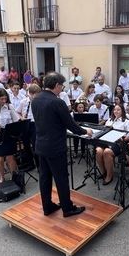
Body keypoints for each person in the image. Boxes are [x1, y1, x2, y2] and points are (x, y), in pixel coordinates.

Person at [32, 72, 93, 217]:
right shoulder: (57, 102)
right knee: (61, 178)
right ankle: (67, 208)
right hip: (55, 147)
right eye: (62, 86)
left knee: (45, 178)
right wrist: (86, 131)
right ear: (57, 85)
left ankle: (47, 207)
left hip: (41, 145)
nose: (62, 89)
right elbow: (71, 125)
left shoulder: (36, 99)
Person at [95, 104, 129, 185]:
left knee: (107, 152)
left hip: (118, 143)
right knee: (98, 151)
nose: (116, 111)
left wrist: (120, 138)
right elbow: (104, 131)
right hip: (107, 141)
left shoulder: (126, 122)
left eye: (118, 110)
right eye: (115, 110)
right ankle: (103, 172)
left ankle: (109, 176)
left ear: (122, 111)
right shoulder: (110, 120)